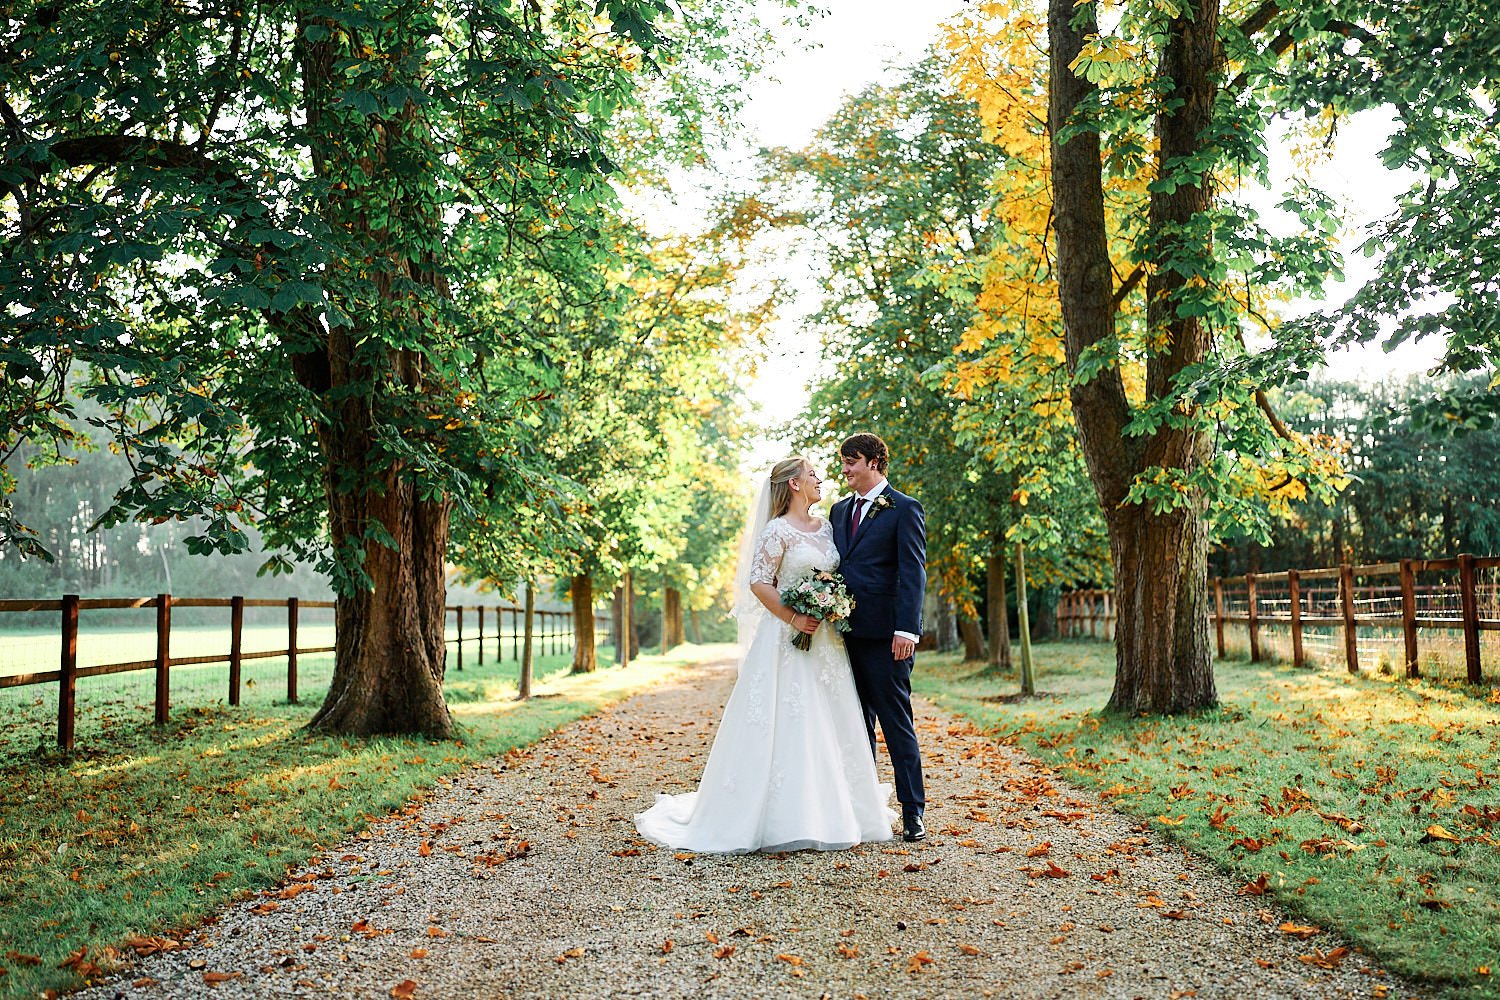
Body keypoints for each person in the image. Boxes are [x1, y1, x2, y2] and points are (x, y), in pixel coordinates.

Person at [633, 456, 895, 853]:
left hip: (826, 642)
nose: (820, 479)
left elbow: (833, 576)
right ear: (794, 484)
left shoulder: (827, 527)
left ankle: (836, 811)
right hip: (787, 639)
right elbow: (759, 582)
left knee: (828, 719)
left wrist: (830, 603)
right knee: (789, 718)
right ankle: (781, 817)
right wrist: (794, 616)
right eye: (812, 474)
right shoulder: (777, 530)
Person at [830, 432, 928, 842]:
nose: (845, 469)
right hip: (842, 636)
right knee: (856, 726)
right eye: (843, 462)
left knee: (895, 722)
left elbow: (913, 572)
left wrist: (906, 629)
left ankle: (913, 811)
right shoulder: (838, 510)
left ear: (874, 462)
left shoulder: (905, 508)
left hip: (888, 637)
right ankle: (864, 810)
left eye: (851, 461)